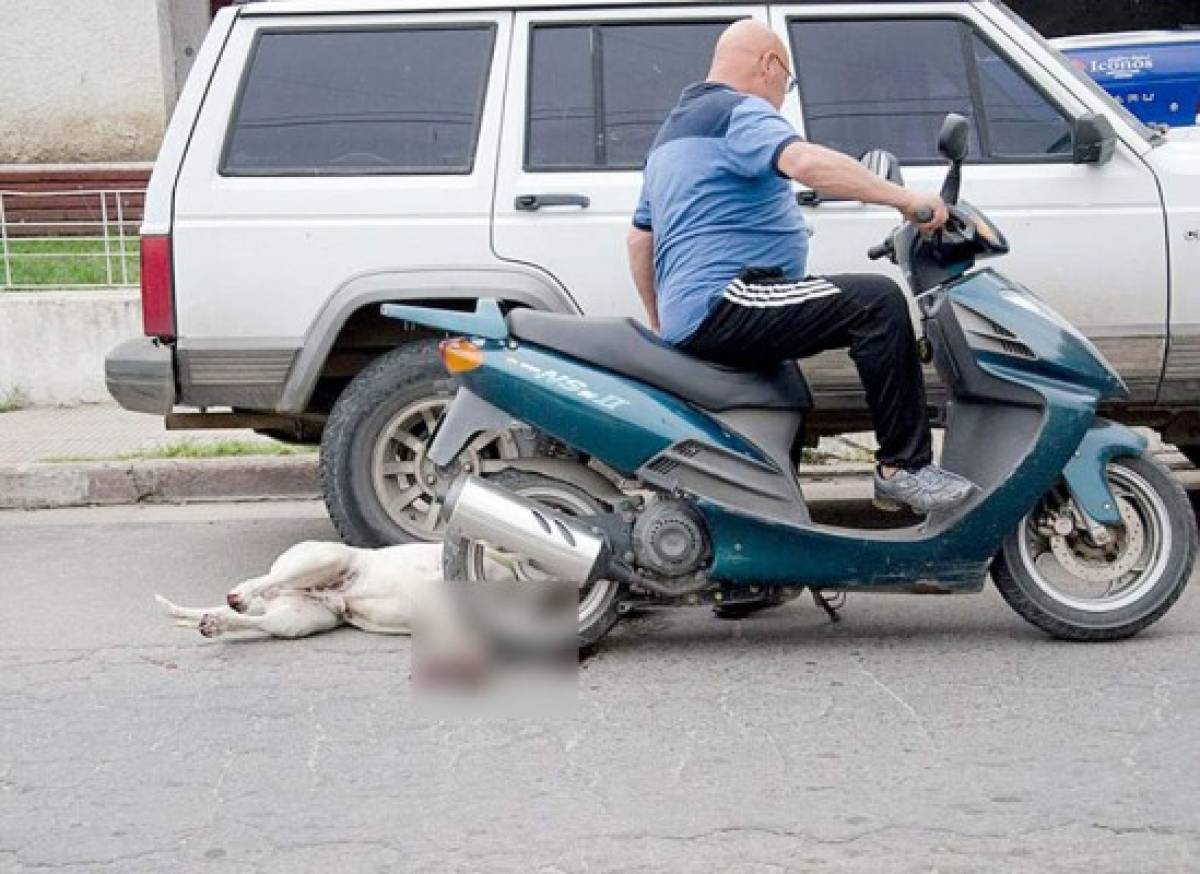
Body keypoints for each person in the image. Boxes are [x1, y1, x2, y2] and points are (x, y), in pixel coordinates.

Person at [627, 19, 973, 514]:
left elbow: (640, 238)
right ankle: (904, 468)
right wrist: (906, 201)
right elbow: (805, 164)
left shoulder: (671, 134)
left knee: (785, 389)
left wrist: (662, 322)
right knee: (877, 303)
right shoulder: (736, 110)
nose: (782, 98)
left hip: (699, 313)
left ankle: (768, 528)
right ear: (768, 64)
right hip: (727, 299)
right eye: (786, 85)